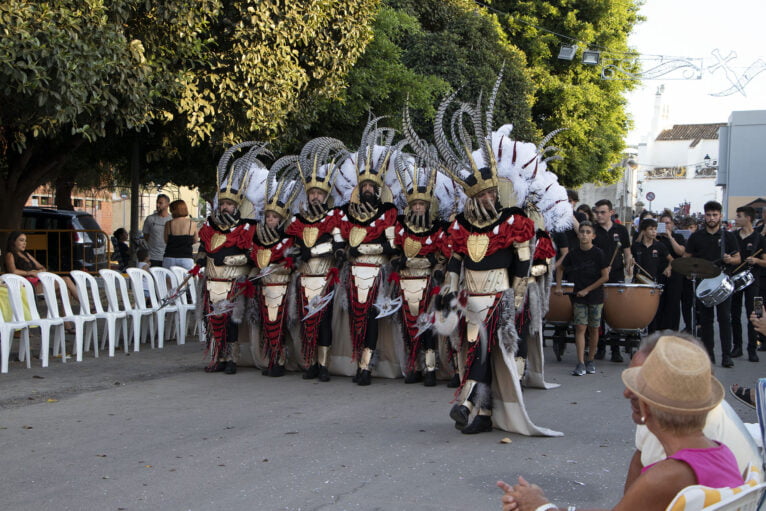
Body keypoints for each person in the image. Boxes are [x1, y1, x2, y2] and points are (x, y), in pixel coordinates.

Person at [498, 335, 744, 511]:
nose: (627, 394)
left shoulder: (667, 477)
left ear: (649, 406)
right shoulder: (719, 453)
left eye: (637, 389)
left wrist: (541, 507)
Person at [624, 331, 760, 491]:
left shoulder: (669, 472)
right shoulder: (702, 432)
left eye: (640, 383)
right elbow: (640, 457)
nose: (627, 392)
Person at [338, 120, 399, 386]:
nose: (367, 191)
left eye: (371, 188)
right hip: (353, 272)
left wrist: (362, 248)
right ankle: (357, 363)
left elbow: (391, 246)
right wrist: (342, 250)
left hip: (377, 273)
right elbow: (339, 239)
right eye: (364, 188)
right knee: (356, 317)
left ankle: (367, 366)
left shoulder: (388, 213)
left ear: (378, 189)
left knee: (373, 317)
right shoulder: (347, 213)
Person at [195, 142, 264, 375]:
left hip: (234, 280)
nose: (225, 207)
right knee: (214, 320)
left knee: (232, 320)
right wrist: (200, 259)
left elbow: (251, 256)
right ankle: (217, 358)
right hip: (212, 280)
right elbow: (204, 248)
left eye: (229, 204)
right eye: (222, 203)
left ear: (237, 206)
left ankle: (232, 359)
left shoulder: (246, 227)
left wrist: (229, 261)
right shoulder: (209, 225)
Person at [285, 137, 347, 382]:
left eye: (319, 193)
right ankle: (309, 363)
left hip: (325, 277)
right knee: (304, 322)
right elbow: (288, 246)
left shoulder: (334, 217)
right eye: (312, 193)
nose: (315, 197)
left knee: (323, 323)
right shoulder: (297, 221)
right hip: (303, 278)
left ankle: (323, 364)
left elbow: (339, 247)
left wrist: (315, 251)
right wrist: (294, 255)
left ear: (325, 195)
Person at [390, 143, 449, 387]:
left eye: (421, 205)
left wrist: (435, 261)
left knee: (428, 325)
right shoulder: (401, 227)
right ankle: (412, 366)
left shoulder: (436, 228)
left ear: (427, 206)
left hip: (427, 281)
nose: (417, 208)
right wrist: (398, 259)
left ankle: (431, 369)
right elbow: (392, 249)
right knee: (408, 325)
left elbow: (444, 252)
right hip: (405, 281)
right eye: (414, 205)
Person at [249, 157, 299, 377]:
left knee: (280, 325)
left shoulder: (288, 239)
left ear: (281, 219)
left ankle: (281, 360)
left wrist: (280, 267)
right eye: (268, 217)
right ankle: (271, 359)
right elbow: (255, 259)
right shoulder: (258, 239)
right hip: (264, 287)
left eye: (274, 217)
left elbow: (291, 261)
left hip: (283, 287)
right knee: (266, 323)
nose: (270, 220)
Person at [684, 201, 740, 367]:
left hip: (722, 282)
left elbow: (738, 258)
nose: (711, 218)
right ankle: (708, 355)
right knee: (706, 321)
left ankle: (726, 355)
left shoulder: (728, 236)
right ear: (704, 216)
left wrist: (731, 259)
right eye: (708, 215)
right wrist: (690, 270)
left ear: (720, 216)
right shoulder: (696, 237)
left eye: (715, 215)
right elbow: (687, 257)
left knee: (724, 319)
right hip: (703, 283)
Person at [556, 221, 609, 376]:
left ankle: (590, 359)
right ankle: (580, 362)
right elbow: (560, 268)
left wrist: (588, 290)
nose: (584, 235)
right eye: (582, 232)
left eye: (587, 232)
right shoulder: (573, 253)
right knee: (580, 327)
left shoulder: (599, 253)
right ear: (578, 234)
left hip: (595, 297)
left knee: (593, 329)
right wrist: (559, 286)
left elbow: (605, 276)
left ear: (593, 235)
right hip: (578, 297)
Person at [592, 198, 632, 362]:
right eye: (597, 212)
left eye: (602, 212)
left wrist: (629, 264)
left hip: (616, 275)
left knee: (616, 313)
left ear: (611, 213)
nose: (599, 215)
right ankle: (600, 347)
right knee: (599, 313)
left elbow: (627, 251)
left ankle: (616, 350)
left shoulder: (621, 230)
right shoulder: (593, 230)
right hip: (598, 276)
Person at [729, 206, 765, 362]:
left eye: (739, 216)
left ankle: (753, 347)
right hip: (735, 280)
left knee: (755, 313)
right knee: (734, 314)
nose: (736, 219)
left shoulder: (760, 238)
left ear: (748, 218)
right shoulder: (732, 236)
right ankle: (737, 346)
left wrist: (757, 260)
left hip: (755, 281)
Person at [4, 231, 78, 298]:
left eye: (25, 241)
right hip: (26, 285)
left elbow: (41, 267)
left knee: (65, 290)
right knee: (66, 279)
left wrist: (40, 271)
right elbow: (13, 271)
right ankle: (86, 305)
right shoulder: (10, 255)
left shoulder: (27, 254)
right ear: (13, 242)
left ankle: (65, 313)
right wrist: (29, 273)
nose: (24, 243)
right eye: (21, 240)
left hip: (37, 281)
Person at [630, 218, 672, 333]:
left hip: (653, 283)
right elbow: (628, 265)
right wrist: (630, 263)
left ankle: (651, 336)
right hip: (638, 282)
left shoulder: (660, 246)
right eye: (651, 229)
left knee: (652, 312)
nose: (654, 232)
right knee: (637, 311)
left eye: (655, 229)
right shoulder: (636, 247)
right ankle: (635, 336)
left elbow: (672, 260)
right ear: (643, 231)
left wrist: (668, 269)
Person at [656, 211, 686, 331]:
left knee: (673, 304)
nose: (666, 226)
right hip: (659, 273)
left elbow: (680, 252)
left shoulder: (678, 237)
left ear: (672, 224)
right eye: (662, 224)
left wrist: (670, 237)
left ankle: (673, 331)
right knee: (659, 304)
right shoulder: (656, 238)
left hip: (675, 274)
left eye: (668, 223)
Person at [162, 199, 198, 271]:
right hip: (186, 257)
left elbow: (166, 240)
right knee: (186, 281)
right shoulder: (192, 223)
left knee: (169, 281)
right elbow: (195, 240)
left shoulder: (168, 223)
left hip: (170, 256)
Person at [142, 193, 171, 267]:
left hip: (167, 256)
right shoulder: (150, 219)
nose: (158, 205)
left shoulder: (172, 220)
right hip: (153, 256)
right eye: (157, 203)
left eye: (161, 203)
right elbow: (146, 236)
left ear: (167, 204)